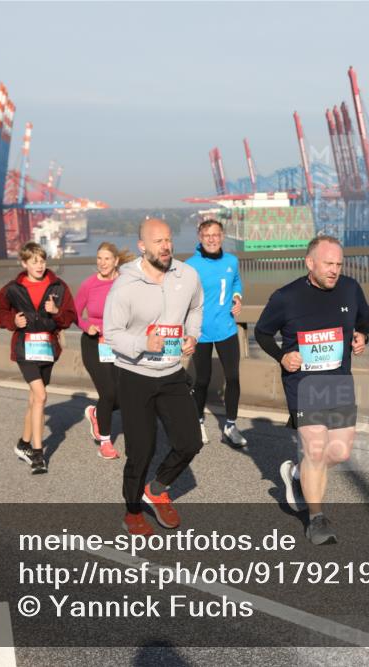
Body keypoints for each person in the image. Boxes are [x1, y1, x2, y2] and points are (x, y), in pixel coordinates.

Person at [255, 235, 369, 545]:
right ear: (310, 263)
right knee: (316, 450)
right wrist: (282, 355)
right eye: (328, 264)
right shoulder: (286, 297)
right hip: (303, 385)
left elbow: (365, 320)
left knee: (340, 451)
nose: (334, 270)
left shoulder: (350, 289)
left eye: (338, 264)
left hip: (340, 381)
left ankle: (295, 474)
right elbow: (263, 332)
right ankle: (316, 518)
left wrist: (362, 336)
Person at [104, 217, 204, 536]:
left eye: (169, 240)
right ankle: (133, 510)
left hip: (172, 372)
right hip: (135, 375)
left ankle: (157, 487)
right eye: (158, 241)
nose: (166, 246)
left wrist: (192, 334)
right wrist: (141, 343)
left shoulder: (187, 275)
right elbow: (112, 334)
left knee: (190, 441)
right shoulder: (125, 284)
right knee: (141, 449)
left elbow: (196, 307)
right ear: (142, 246)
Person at [0, 241, 77, 474]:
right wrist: (12, 322)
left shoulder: (58, 286)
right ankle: (38, 455)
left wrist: (56, 312)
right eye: (34, 261)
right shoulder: (12, 288)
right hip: (24, 349)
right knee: (41, 395)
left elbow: (70, 316)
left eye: (42, 260)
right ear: (24, 263)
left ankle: (23, 444)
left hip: (47, 349)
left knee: (34, 400)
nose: (39, 266)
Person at [184, 219, 246, 447]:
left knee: (233, 378)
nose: (212, 239)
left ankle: (230, 425)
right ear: (200, 237)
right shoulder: (190, 265)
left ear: (222, 237)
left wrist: (237, 297)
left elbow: (236, 283)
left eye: (216, 234)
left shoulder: (232, 261)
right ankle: (197, 422)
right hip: (200, 332)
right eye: (207, 235)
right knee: (202, 380)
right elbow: (182, 297)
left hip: (227, 329)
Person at [75, 242, 135, 460]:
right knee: (108, 392)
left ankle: (96, 413)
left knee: (124, 394)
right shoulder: (89, 284)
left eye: (107, 259)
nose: (102, 263)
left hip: (118, 343)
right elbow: (75, 313)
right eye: (99, 258)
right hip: (94, 343)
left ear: (116, 261)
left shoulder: (125, 283)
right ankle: (105, 442)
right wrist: (86, 326)